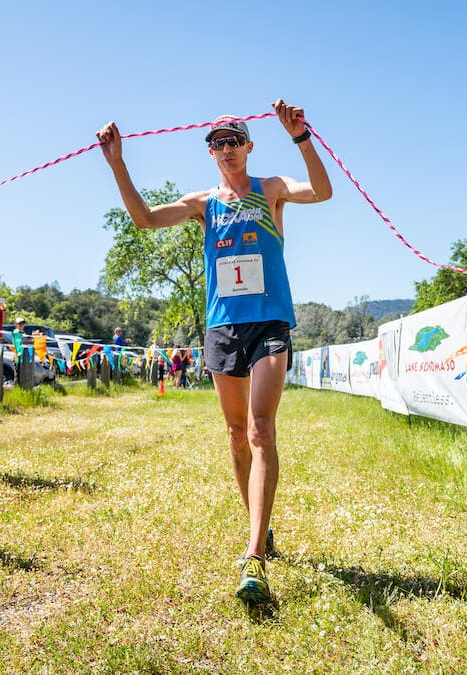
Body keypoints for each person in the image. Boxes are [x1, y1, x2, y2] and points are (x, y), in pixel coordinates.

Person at [97, 99, 332, 603]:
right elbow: (142, 220)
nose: (226, 149)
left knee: (260, 428)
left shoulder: (270, 190)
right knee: (234, 435)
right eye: (217, 143)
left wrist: (301, 137)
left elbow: (323, 190)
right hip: (223, 327)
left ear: (249, 146)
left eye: (234, 141)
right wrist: (118, 163)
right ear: (211, 153)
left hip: (269, 321)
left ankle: (254, 557)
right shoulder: (203, 203)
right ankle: (258, 523)